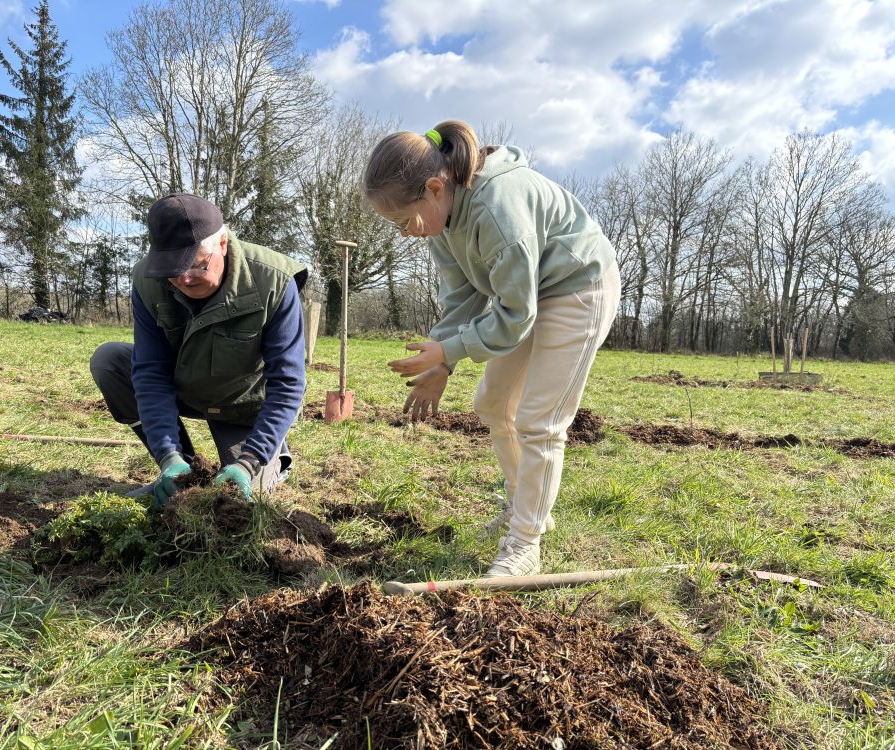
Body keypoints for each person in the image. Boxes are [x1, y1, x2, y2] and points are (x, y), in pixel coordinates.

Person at [362, 120, 621, 577]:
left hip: (579, 287)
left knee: (539, 421)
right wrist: (442, 360)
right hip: (526, 293)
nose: (405, 233)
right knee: (493, 402)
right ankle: (524, 504)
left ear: (435, 188)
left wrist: (448, 353)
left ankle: (525, 542)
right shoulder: (442, 221)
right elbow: (462, 295)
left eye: (405, 221)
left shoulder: (499, 208)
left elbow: (516, 316)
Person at [90, 193, 307, 507]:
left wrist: (249, 461)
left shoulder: (273, 281)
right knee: (109, 360)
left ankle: (269, 457)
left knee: (238, 501)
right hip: (186, 386)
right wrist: (168, 456)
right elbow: (151, 372)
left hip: (243, 404)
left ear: (222, 244)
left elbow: (287, 384)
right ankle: (185, 468)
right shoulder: (148, 281)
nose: (183, 279)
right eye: (172, 270)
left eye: (195, 266)